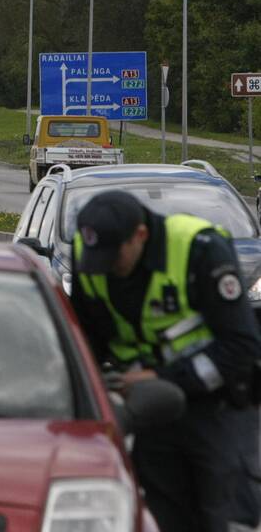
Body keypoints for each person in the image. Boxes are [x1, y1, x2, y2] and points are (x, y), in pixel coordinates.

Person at [69, 190, 261, 532]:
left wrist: (161, 377)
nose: (107, 269)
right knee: (161, 519)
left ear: (140, 235)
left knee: (226, 517)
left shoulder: (198, 250)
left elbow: (242, 346)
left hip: (217, 408)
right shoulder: (90, 255)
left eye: (115, 258)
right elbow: (87, 339)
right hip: (152, 413)